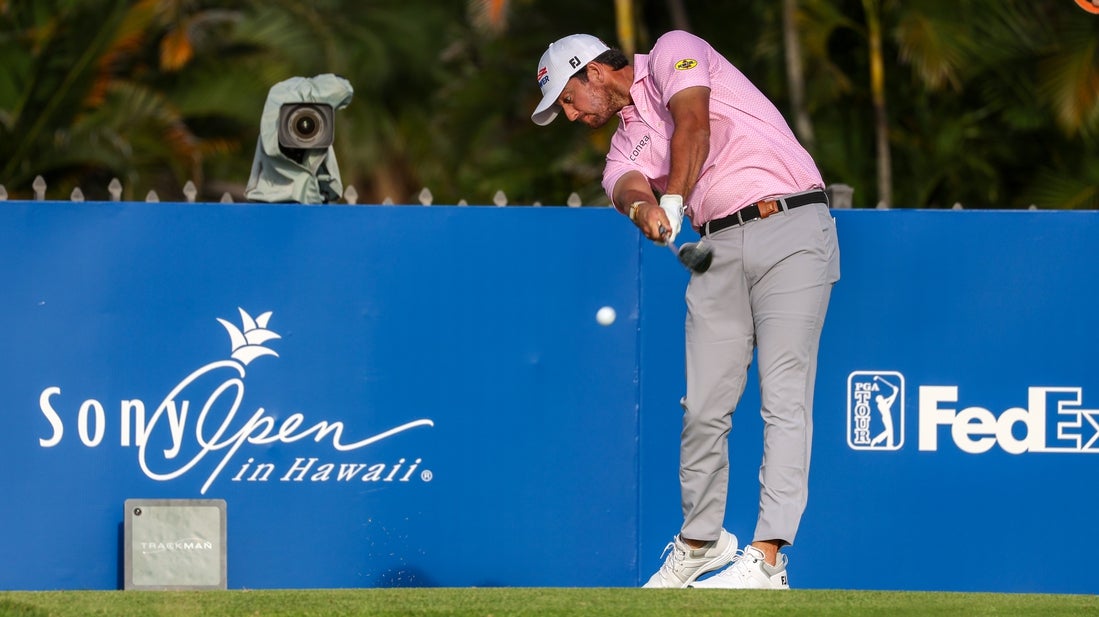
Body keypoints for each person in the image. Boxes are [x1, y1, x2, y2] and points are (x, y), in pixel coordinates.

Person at [531, 30, 840, 589]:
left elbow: (693, 122)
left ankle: (769, 559)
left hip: (791, 224)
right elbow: (626, 186)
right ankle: (701, 542)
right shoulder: (623, 143)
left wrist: (671, 199)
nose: (571, 115)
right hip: (716, 248)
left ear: (592, 70)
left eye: (568, 99)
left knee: (784, 396)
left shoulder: (673, 50)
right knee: (702, 407)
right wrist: (645, 211)